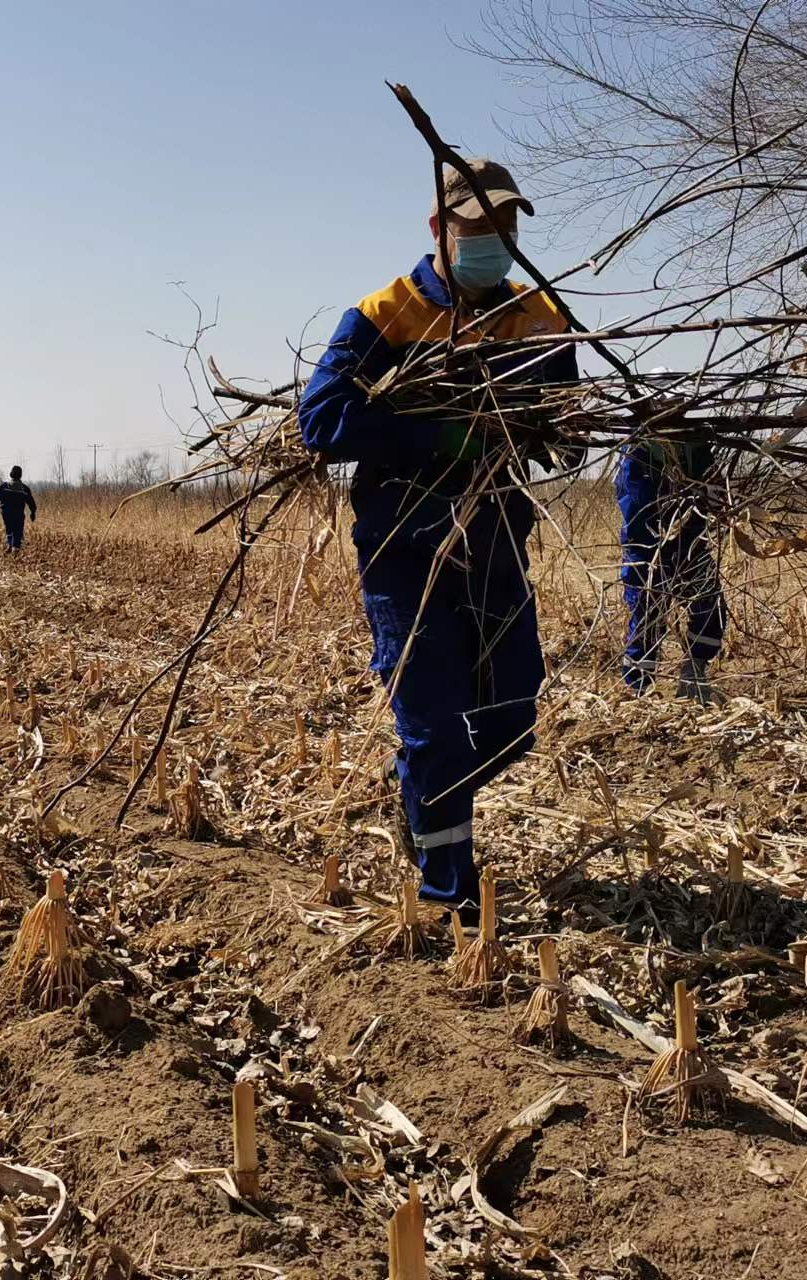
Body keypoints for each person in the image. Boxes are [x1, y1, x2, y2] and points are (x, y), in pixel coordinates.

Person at [297, 159, 577, 916]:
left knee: (514, 714)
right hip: (402, 546)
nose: (495, 241)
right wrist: (442, 438)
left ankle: (420, 789)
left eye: (506, 228)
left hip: (494, 542)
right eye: (478, 228)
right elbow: (320, 421)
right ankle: (449, 899)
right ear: (440, 232)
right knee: (432, 718)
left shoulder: (541, 315)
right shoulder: (385, 315)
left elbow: (569, 422)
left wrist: (555, 424)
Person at [616, 372, 725, 704]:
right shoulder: (638, 450)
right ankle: (639, 691)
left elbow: (714, 484)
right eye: (667, 403)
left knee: (711, 607)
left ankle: (694, 670)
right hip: (648, 549)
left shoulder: (694, 441)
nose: (675, 410)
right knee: (647, 615)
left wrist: (711, 496)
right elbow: (636, 508)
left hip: (693, 544)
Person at [0, 466, 37, 552]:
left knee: (9, 528)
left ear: (11, 474)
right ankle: (15, 547)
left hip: (6, 513)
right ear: (20, 475)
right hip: (18, 513)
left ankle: (10, 544)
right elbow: (31, 502)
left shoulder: (5, 486)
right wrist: (33, 512)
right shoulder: (24, 489)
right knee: (18, 530)